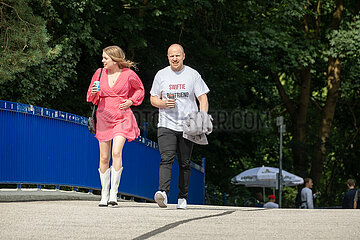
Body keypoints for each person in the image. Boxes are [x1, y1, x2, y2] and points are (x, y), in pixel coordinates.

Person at [150, 43, 210, 209]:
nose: (174, 58)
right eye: (171, 56)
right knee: (166, 158)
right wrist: (163, 103)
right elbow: (153, 98)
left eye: (177, 55)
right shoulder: (161, 75)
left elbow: (203, 98)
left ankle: (182, 197)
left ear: (183, 56)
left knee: (184, 162)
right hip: (166, 124)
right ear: (168, 57)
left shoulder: (193, 75)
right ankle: (162, 193)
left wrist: (202, 117)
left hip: (188, 125)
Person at [87, 46, 144, 207]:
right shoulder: (99, 73)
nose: (103, 61)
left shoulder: (128, 74)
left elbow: (140, 90)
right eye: (103, 58)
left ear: (115, 59)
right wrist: (93, 91)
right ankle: (104, 194)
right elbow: (90, 97)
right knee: (104, 157)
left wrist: (131, 100)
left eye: (106, 58)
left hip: (122, 117)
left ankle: (114, 194)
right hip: (104, 117)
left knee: (116, 152)